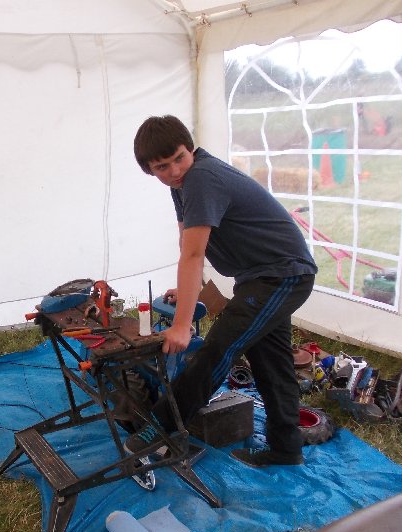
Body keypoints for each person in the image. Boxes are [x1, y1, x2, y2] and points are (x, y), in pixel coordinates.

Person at [127, 115, 318, 467]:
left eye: (179, 158)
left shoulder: (201, 177)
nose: (173, 171)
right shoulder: (182, 185)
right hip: (263, 275)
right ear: (148, 169)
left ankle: (161, 428)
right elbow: (189, 244)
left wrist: (181, 325)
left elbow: (193, 255)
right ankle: (286, 450)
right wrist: (188, 290)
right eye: (161, 167)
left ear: (191, 149)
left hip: (282, 274)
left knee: (218, 348)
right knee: (271, 363)